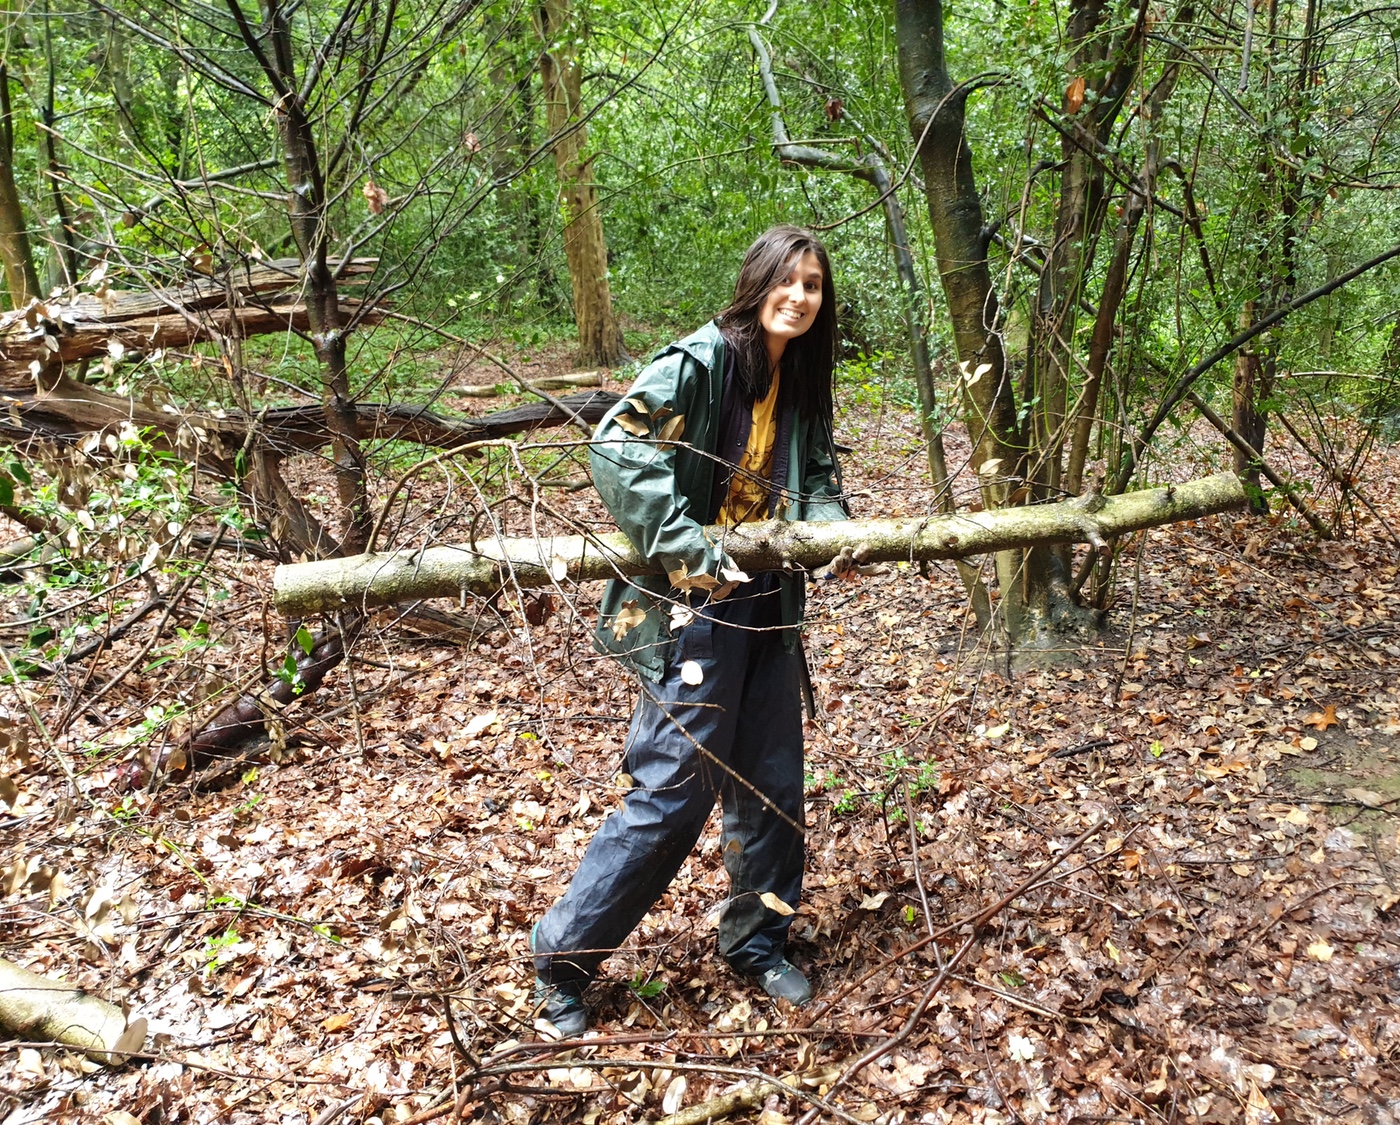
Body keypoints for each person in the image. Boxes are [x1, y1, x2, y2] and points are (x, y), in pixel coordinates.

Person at [530, 225, 849, 1036]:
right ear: (758, 282)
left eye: (813, 284)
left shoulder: (804, 374)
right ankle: (561, 961)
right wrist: (686, 546)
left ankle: (756, 940)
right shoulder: (704, 359)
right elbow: (618, 444)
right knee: (673, 792)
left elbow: (816, 475)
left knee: (772, 786)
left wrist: (829, 529)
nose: (800, 296)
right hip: (693, 605)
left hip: (768, 601)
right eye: (788, 280)